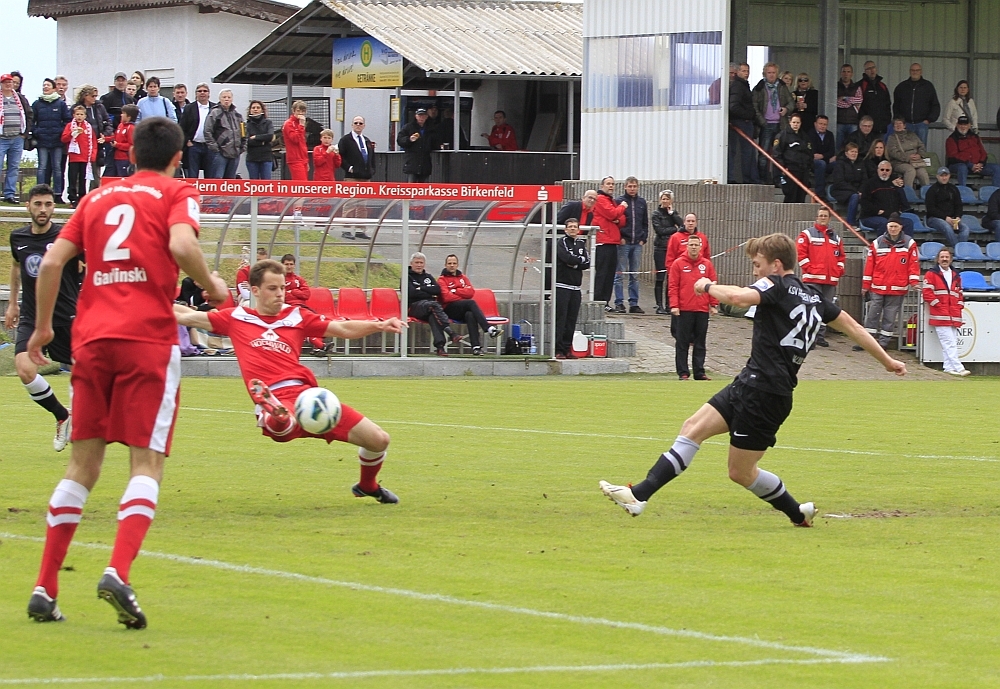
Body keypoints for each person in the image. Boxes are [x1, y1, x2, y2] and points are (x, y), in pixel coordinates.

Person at [24, 116, 230, 628]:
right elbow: (182, 246)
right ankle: (117, 570)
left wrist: (44, 329)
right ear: (178, 158)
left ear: (131, 153)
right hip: (147, 342)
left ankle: (45, 587)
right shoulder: (177, 191)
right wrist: (212, 286)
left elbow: (51, 264)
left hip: (92, 340)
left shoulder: (96, 198)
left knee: (82, 466)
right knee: (146, 464)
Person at [600, 232, 907, 524]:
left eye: (757, 264)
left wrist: (707, 286)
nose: (755, 271)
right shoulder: (814, 297)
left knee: (741, 472)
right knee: (692, 428)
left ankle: (797, 513)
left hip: (766, 393)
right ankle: (638, 495)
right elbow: (854, 328)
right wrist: (887, 361)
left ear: (776, 265)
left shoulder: (776, 284)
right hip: (751, 382)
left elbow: (738, 297)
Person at [174, 260, 403, 508]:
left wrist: (379, 324)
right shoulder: (237, 318)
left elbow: (342, 327)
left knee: (379, 440)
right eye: (272, 288)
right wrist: (150, 299)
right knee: (283, 426)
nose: (280, 293)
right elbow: (187, 316)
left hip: (309, 397)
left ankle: (367, 485)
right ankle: (275, 413)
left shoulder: (296, 316)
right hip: (275, 395)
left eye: (282, 288)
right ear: (255, 290)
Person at [4, 185, 80, 451]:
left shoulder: (66, 237)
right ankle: (62, 415)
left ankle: (83, 421)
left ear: (53, 207)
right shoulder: (18, 237)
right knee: (25, 369)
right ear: (28, 206)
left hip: (65, 316)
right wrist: (12, 304)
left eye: (48, 204)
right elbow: (16, 267)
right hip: (32, 317)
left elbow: (87, 265)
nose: (43, 209)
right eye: (38, 204)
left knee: (85, 373)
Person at [858, 213, 919, 350]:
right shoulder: (877, 243)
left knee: (889, 318)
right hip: (878, 286)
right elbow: (869, 266)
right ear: (887, 227)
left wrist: (914, 282)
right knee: (872, 315)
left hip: (897, 287)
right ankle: (867, 342)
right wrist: (865, 286)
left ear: (901, 227)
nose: (893, 229)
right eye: (891, 226)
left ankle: (883, 344)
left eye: (895, 226)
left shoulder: (909, 243)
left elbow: (913, 265)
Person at [669, 234, 717, 381]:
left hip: (701, 309)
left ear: (700, 247)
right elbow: (673, 286)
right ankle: (683, 372)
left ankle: (699, 372)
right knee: (682, 342)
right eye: (691, 245)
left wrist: (713, 304)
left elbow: (713, 285)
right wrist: (674, 305)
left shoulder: (707, 264)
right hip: (684, 309)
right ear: (687, 246)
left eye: (696, 245)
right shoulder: (678, 264)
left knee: (700, 342)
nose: (694, 247)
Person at [796, 207, 844, 348]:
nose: (823, 218)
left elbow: (841, 257)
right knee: (811, 308)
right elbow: (800, 254)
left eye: (825, 216)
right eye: (821, 215)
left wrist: (839, 270)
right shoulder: (807, 234)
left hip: (830, 280)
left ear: (829, 219)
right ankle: (809, 337)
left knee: (825, 309)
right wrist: (810, 269)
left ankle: (820, 337)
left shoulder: (835, 238)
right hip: (813, 279)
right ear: (816, 217)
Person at [437, 255, 503, 356]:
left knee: (470, 314)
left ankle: (476, 347)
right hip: (449, 309)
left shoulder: (463, 278)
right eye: (449, 263)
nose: (452, 265)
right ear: (445, 265)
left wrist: (455, 291)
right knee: (470, 303)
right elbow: (446, 297)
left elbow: (471, 293)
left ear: (457, 265)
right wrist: (462, 295)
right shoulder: (442, 280)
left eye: (454, 263)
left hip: (463, 308)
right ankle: (489, 329)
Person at [922, 247, 969, 377]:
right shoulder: (931, 274)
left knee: (950, 342)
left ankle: (948, 367)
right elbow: (927, 293)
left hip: (953, 314)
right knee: (949, 343)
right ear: (938, 259)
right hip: (940, 315)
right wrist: (938, 305)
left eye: (947, 257)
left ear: (951, 259)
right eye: (942, 257)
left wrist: (959, 305)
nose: (944, 259)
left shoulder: (956, 275)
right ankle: (959, 367)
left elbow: (959, 293)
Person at [407, 252, 460, 356]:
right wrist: (428, 291)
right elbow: (411, 293)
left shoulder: (428, 276)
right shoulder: (407, 277)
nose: (419, 265)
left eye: (421, 263)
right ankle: (450, 332)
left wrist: (421, 288)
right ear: (411, 264)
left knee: (433, 315)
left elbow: (437, 290)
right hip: (414, 307)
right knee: (434, 305)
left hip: (429, 307)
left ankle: (440, 347)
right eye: (416, 262)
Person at [554, 218, 590, 359]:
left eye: (575, 226)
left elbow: (586, 262)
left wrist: (575, 263)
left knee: (571, 320)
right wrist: (577, 261)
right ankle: (558, 350)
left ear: (578, 229)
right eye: (570, 226)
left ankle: (567, 348)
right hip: (562, 286)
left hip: (576, 288)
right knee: (561, 319)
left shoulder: (581, 243)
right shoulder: (562, 242)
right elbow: (565, 258)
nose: (573, 229)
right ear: (566, 229)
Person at [752, 63, 794, 183]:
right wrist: (762, 121)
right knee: (763, 154)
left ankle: (778, 180)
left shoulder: (782, 86)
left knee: (779, 154)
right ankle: (763, 180)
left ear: (777, 74)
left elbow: (791, 102)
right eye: (769, 72)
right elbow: (754, 106)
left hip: (781, 125)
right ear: (765, 73)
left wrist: (786, 109)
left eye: (773, 72)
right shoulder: (759, 87)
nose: (771, 75)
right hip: (766, 125)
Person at [32, 78, 71, 199]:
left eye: (48, 85)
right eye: (44, 85)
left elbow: (67, 120)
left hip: (57, 141)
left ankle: (58, 194)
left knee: (57, 168)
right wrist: (36, 132)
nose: (45, 87)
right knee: (42, 167)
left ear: (53, 88)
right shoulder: (37, 104)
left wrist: (60, 132)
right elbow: (32, 120)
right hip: (42, 140)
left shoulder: (61, 104)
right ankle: (39, 193)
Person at [614, 176, 647, 314]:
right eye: (630, 186)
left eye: (634, 186)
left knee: (634, 274)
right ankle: (619, 302)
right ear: (625, 187)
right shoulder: (619, 201)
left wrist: (643, 238)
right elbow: (615, 221)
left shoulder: (642, 202)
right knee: (620, 274)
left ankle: (634, 303)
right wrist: (620, 237)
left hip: (637, 243)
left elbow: (645, 222)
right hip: (624, 242)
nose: (632, 189)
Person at [592, 176, 626, 311]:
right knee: (602, 273)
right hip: (603, 241)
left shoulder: (611, 200)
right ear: (602, 186)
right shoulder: (600, 199)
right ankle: (598, 301)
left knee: (610, 274)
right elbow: (612, 214)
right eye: (608, 184)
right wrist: (622, 207)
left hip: (612, 241)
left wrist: (617, 217)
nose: (611, 186)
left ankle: (605, 301)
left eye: (612, 184)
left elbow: (622, 220)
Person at [61, 104, 103, 208]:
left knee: (83, 179)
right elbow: (64, 139)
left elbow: (93, 142)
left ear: (85, 116)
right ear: (74, 115)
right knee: (72, 178)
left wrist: (93, 156)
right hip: (74, 157)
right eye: (77, 114)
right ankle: (72, 198)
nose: (79, 116)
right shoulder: (70, 126)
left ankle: (82, 198)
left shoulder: (88, 127)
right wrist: (72, 133)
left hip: (85, 158)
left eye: (81, 114)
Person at [74, 85, 113, 191]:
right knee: (79, 173)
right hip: (82, 145)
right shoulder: (77, 108)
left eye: (96, 96)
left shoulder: (99, 107)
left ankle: (93, 194)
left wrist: (105, 134)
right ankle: (78, 195)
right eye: (92, 96)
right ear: (85, 96)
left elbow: (108, 122)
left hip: (97, 144)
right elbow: (71, 124)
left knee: (96, 174)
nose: (95, 98)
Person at [1, 72, 33, 204]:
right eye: (5, 82)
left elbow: (29, 114)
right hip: (1, 138)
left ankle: (10, 194)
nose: (8, 84)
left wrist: (25, 133)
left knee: (13, 167)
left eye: (10, 82)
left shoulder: (20, 98)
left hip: (17, 138)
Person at [858, 161, 914, 235]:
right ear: (878, 170)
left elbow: (902, 199)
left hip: (891, 216)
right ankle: (883, 242)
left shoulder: (894, 183)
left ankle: (905, 242)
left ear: (891, 171)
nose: (884, 172)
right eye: (882, 170)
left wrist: (898, 187)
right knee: (883, 222)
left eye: (887, 170)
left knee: (908, 222)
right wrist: (877, 211)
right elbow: (864, 202)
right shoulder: (869, 183)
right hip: (870, 216)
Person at [651, 190, 682, 314]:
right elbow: (659, 230)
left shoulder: (673, 214)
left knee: (671, 278)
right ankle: (659, 305)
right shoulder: (656, 214)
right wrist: (673, 229)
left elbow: (682, 226)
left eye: (667, 199)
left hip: (672, 249)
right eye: (663, 198)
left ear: (671, 201)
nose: (665, 201)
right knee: (660, 277)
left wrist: (672, 214)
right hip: (660, 248)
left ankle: (670, 304)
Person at [892, 63, 939, 146]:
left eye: (917, 70)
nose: (915, 72)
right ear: (909, 71)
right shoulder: (902, 87)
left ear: (921, 72)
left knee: (921, 148)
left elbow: (935, 105)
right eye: (913, 70)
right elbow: (896, 105)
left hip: (921, 124)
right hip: (906, 124)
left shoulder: (928, 86)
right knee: (905, 147)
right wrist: (899, 120)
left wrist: (929, 119)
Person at [946, 115, 999, 187]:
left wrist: (981, 163)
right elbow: (953, 157)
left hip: (978, 166)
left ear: (969, 125)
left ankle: (996, 192)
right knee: (962, 167)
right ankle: (963, 191)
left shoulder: (975, 137)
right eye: (961, 124)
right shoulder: (951, 139)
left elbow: (983, 153)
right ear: (957, 125)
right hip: (960, 166)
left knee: (997, 168)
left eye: (965, 124)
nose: (963, 127)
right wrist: (970, 165)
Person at [729, 62, 759, 184]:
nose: (746, 73)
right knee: (746, 152)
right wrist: (748, 115)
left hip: (743, 121)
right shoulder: (738, 86)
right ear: (737, 72)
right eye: (743, 71)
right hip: (741, 122)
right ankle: (747, 179)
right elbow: (733, 106)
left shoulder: (743, 85)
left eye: (747, 71)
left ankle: (749, 178)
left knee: (747, 152)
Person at [771, 112, 813, 203]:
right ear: (790, 122)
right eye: (794, 122)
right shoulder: (783, 135)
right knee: (790, 194)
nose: (795, 124)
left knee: (801, 195)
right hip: (790, 169)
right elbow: (777, 153)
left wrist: (809, 165)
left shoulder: (804, 136)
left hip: (803, 170)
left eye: (798, 123)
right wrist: (782, 167)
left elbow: (809, 152)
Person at [924, 167, 970, 246]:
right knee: (946, 226)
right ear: (937, 176)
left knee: (965, 229)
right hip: (934, 218)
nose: (944, 178)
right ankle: (957, 249)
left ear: (949, 176)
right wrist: (945, 217)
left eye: (946, 175)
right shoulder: (932, 190)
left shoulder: (954, 189)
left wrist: (958, 216)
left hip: (952, 218)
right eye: (942, 176)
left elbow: (958, 205)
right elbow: (931, 209)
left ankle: (961, 248)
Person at [204, 89, 244, 179]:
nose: (226, 99)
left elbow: (244, 132)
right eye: (224, 97)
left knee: (230, 181)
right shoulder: (214, 113)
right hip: (220, 153)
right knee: (218, 179)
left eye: (229, 97)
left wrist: (242, 148)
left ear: (232, 99)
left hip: (235, 153)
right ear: (220, 99)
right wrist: (215, 148)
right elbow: (207, 131)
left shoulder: (238, 115)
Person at [180, 83, 215, 178]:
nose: (202, 93)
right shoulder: (189, 108)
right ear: (196, 93)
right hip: (194, 146)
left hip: (209, 146)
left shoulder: (215, 108)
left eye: (205, 91)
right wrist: (187, 141)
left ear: (209, 93)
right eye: (200, 91)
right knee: (192, 175)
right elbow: (182, 127)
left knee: (210, 176)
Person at [828, 142, 866, 225]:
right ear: (846, 153)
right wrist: (856, 191)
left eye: (856, 152)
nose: (854, 154)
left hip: (857, 190)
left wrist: (861, 190)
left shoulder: (861, 163)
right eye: (852, 151)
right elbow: (839, 182)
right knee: (855, 196)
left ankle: (863, 222)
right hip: (841, 190)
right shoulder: (840, 164)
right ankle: (850, 223)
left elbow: (864, 180)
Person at [886, 117, 929, 189]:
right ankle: (908, 192)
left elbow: (921, 146)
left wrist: (920, 155)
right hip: (899, 163)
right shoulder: (891, 138)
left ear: (904, 125)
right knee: (910, 171)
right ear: (893, 127)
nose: (898, 125)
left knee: (922, 172)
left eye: (900, 123)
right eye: (896, 124)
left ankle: (927, 192)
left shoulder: (912, 135)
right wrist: (907, 157)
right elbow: (892, 152)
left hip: (915, 162)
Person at [397, 108, 435, 183]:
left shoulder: (430, 128)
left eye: (423, 116)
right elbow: (400, 140)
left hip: (425, 164)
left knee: (424, 187)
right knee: (411, 186)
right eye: (419, 116)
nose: (421, 118)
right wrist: (409, 140)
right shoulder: (408, 127)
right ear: (416, 116)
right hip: (412, 162)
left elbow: (434, 142)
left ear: (426, 117)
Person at [858, 61, 892, 135]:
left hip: (881, 127)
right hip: (866, 128)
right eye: (869, 68)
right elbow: (857, 105)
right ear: (865, 71)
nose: (872, 70)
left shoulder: (882, 86)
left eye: (873, 67)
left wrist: (887, 120)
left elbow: (887, 104)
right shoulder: (860, 85)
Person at [244, 100, 274, 180]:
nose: (255, 109)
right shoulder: (246, 124)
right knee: (254, 183)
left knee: (266, 183)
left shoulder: (268, 123)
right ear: (250, 110)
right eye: (253, 108)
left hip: (266, 157)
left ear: (262, 110)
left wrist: (255, 137)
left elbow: (270, 136)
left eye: (258, 107)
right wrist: (263, 142)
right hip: (252, 158)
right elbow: (246, 141)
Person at [338, 115, 375, 180]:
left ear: (364, 126)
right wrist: (349, 168)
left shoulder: (367, 140)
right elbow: (340, 156)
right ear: (352, 125)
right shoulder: (345, 140)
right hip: (351, 178)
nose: (358, 125)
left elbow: (372, 157)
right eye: (356, 123)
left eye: (360, 123)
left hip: (366, 178)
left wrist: (372, 170)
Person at [835, 64, 863, 148]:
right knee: (838, 147)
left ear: (852, 74)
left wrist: (845, 98)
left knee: (852, 147)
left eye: (848, 72)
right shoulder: (835, 86)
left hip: (853, 122)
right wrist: (851, 102)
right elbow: (835, 102)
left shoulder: (857, 87)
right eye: (844, 71)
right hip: (839, 122)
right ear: (840, 73)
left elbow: (860, 100)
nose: (846, 74)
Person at [809, 114, 836, 196]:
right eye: (820, 124)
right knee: (821, 164)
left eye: (825, 124)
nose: (822, 126)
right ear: (815, 124)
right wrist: (826, 158)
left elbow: (832, 151)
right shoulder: (810, 134)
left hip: (826, 161)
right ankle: (820, 193)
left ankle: (833, 190)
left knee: (838, 163)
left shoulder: (830, 135)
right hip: (812, 162)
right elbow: (812, 152)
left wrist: (823, 156)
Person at [282, 100, 309, 180]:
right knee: (301, 183)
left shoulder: (299, 123)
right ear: (293, 111)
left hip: (302, 158)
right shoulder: (289, 124)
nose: (300, 113)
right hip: (295, 159)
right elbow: (295, 139)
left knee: (305, 183)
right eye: (298, 111)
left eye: (303, 111)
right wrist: (301, 125)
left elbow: (302, 142)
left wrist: (306, 160)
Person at [109, 104, 137, 177]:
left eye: (123, 113)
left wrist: (117, 145)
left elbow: (131, 146)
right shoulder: (120, 125)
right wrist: (105, 139)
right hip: (115, 157)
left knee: (123, 178)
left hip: (125, 159)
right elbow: (115, 137)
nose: (121, 115)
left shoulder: (131, 128)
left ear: (129, 117)